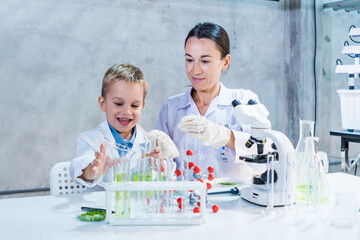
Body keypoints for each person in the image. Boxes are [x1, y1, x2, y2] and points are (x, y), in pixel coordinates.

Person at [155, 22, 264, 180]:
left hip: (233, 202)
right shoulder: (171, 108)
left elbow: (262, 152)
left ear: (225, 62)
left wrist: (224, 136)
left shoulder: (244, 101)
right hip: (184, 201)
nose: (195, 70)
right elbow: (163, 167)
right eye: (189, 60)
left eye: (205, 61)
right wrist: (156, 159)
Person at [70, 63, 178, 190]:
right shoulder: (90, 140)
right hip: (103, 208)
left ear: (142, 106)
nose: (127, 111)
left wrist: (159, 166)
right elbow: (78, 170)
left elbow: (169, 181)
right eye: (118, 103)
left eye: (134, 105)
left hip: (137, 208)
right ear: (103, 103)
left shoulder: (149, 143)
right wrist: (94, 170)